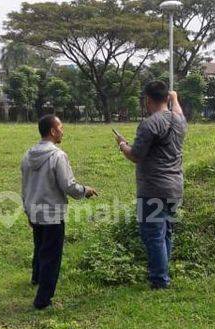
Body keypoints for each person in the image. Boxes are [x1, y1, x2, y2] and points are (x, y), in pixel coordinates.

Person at [114, 81, 187, 289]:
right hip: (175, 187)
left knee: (153, 235)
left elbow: (136, 155)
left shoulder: (150, 123)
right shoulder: (179, 120)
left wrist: (122, 145)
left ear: (147, 99)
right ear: (167, 98)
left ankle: (159, 280)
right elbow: (178, 111)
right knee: (166, 232)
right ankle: (162, 274)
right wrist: (175, 98)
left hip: (154, 189)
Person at [21, 114, 98, 309]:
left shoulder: (28, 155)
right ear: (53, 131)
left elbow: (25, 186)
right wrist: (84, 191)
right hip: (52, 213)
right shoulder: (58, 156)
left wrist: (27, 209)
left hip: (34, 209)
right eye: (61, 127)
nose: (63, 131)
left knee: (40, 246)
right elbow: (68, 185)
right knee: (51, 256)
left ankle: (36, 278)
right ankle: (43, 300)